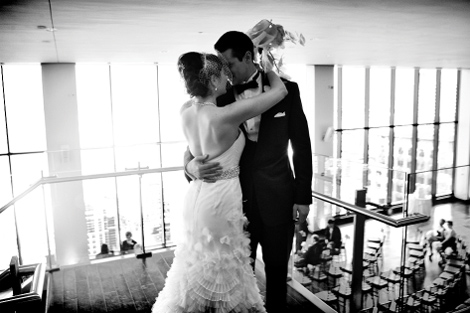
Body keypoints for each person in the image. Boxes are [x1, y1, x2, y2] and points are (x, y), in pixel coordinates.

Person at [185, 31, 313, 312]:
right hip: (234, 203)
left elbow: (301, 145)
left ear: (248, 57)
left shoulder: (287, 92)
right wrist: (190, 165)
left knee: (278, 270)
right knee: (239, 273)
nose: (225, 73)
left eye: (229, 64)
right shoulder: (218, 97)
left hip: (279, 197)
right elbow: (195, 144)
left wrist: (303, 197)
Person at [152, 51, 287, 312]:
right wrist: (269, 68)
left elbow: (193, 150)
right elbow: (279, 92)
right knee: (224, 267)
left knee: (199, 262)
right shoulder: (226, 115)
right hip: (221, 199)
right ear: (213, 81)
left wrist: (191, 165)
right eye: (223, 74)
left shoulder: (185, 111)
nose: (228, 77)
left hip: (197, 195)